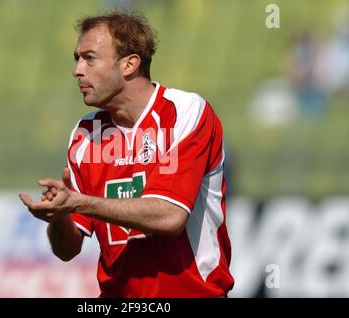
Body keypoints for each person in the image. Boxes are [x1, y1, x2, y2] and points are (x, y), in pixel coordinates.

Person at [19, 11, 234, 297]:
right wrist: (59, 215)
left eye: (90, 58)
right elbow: (67, 250)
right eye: (76, 58)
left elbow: (170, 217)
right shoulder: (86, 133)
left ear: (130, 64)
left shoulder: (183, 112)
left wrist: (77, 203)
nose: (77, 70)